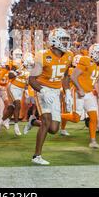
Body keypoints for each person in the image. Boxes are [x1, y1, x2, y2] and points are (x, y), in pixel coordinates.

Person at [29, 28, 74, 165]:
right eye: (63, 39)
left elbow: (65, 76)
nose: (66, 43)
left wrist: (67, 93)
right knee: (47, 120)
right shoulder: (42, 55)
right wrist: (43, 91)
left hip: (55, 91)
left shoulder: (69, 55)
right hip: (41, 89)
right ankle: (36, 156)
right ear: (54, 40)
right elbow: (31, 80)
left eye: (67, 39)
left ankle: (33, 122)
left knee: (54, 129)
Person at [70, 44, 99, 149]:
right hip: (79, 91)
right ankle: (59, 116)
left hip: (89, 93)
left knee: (94, 117)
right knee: (76, 118)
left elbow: (95, 79)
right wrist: (80, 89)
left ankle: (93, 141)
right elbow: (73, 76)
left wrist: (97, 91)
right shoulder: (86, 60)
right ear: (93, 53)